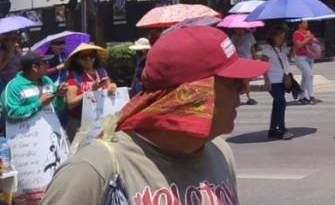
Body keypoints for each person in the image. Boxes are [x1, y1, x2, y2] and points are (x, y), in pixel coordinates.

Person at [41, 25, 269, 205]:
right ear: (191, 94)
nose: (243, 88)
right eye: (231, 82)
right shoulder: (93, 170)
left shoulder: (221, 152)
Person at [63, 43, 117, 140]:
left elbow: (109, 87)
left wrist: (113, 87)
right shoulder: (74, 76)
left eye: (91, 56)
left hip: (101, 120)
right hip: (79, 123)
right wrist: (90, 91)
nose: (88, 59)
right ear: (77, 59)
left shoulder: (101, 72)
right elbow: (70, 103)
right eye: (83, 57)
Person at [2, 51, 67, 122]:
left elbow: (58, 106)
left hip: (47, 131)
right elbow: (11, 114)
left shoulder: (47, 80)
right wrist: (39, 103)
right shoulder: (14, 87)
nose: (48, 65)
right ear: (35, 67)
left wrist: (60, 96)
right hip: (24, 132)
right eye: (45, 63)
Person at [260, 25, 294, 140]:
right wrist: (266, 81)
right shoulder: (267, 49)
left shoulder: (283, 48)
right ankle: (282, 129)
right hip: (273, 80)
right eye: (279, 37)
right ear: (273, 37)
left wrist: (291, 52)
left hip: (283, 80)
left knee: (277, 105)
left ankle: (272, 129)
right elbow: (263, 66)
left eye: (283, 37)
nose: (282, 39)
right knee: (281, 103)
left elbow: (287, 60)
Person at [292, 19, 318, 104]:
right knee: (309, 75)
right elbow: (299, 45)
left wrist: (311, 37)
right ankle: (311, 96)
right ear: (299, 24)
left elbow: (314, 42)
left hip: (309, 57)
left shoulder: (307, 32)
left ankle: (302, 97)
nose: (307, 23)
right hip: (300, 58)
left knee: (306, 76)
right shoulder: (296, 33)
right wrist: (308, 38)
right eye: (304, 22)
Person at [229, 29, 257, 105]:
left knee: (246, 81)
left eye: (240, 28)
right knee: (238, 81)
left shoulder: (249, 36)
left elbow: (252, 49)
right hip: (238, 62)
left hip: (248, 61)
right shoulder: (233, 37)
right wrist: (237, 40)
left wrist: (255, 60)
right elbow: (232, 50)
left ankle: (249, 97)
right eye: (236, 29)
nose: (238, 30)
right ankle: (238, 97)